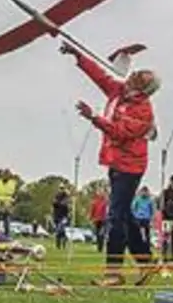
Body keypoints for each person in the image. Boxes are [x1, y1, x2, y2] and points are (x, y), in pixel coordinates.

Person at [64, 41, 157, 286]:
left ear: (145, 88)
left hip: (130, 167)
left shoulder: (143, 110)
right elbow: (100, 76)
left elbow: (119, 132)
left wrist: (94, 117)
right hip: (116, 163)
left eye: (140, 76)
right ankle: (146, 262)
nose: (134, 74)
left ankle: (113, 273)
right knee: (125, 215)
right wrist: (79, 56)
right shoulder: (120, 91)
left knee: (115, 217)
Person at [0, 169, 19, 237]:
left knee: (7, 221)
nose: (5, 176)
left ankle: (7, 236)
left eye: (7, 175)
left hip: (8, 204)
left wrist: (14, 201)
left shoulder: (13, 183)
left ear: (9, 176)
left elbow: (16, 193)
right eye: (4, 175)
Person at [132, 186, 156, 251]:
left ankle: (147, 246)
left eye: (145, 191)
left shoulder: (150, 200)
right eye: (143, 191)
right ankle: (137, 246)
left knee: (147, 234)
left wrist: (152, 218)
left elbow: (152, 210)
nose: (144, 193)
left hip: (146, 218)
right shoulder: (137, 199)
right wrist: (134, 216)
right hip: (138, 218)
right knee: (137, 233)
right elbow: (133, 208)